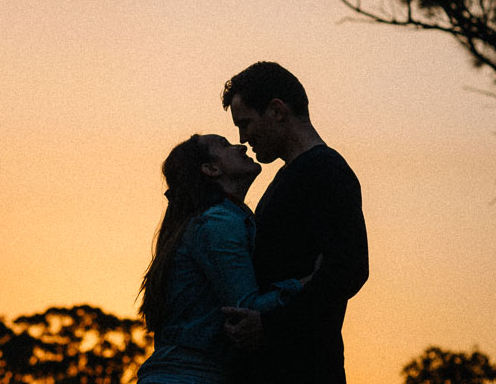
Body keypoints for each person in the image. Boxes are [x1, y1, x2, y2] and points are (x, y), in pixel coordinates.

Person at [218, 61, 368, 384]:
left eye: (246, 123)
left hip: (307, 369)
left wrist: (271, 326)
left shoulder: (326, 171)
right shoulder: (288, 178)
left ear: (277, 110)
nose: (243, 138)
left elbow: (350, 267)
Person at [136, 134, 310, 384]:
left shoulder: (211, 221)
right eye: (225, 145)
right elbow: (244, 309)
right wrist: (305, 284)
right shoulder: (218, 223)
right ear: (211, 169)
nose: (240, 145)